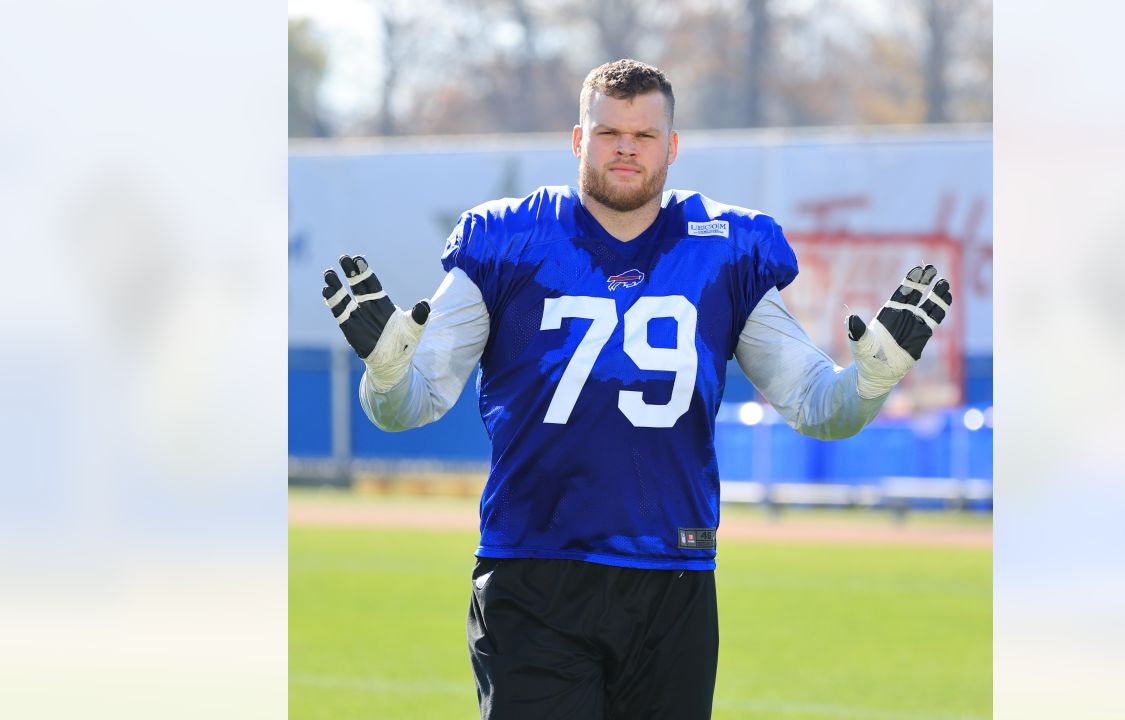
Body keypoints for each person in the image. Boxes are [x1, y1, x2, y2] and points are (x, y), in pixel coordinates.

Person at [320, 58, 951, 720]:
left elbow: (821, 406)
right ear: (577, 140)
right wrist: (387, 373)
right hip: (536, 570)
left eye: (644, 135)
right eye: (608, 132)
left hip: (672, 581)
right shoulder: (507, 240)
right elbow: (410, 404)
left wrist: (872, 381)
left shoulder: (724, 249)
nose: (626, 147)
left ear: (672, 147)